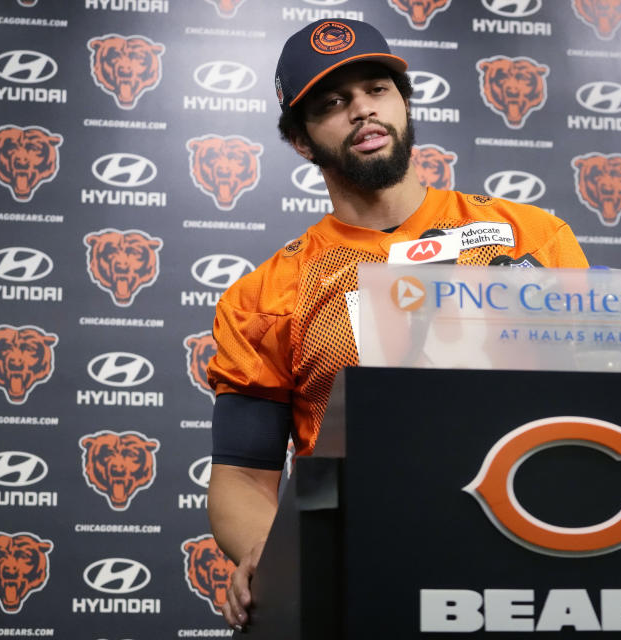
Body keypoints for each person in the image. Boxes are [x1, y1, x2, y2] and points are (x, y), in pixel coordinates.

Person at [205, 18, 589, 631]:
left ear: (404, 106)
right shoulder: (266, 294)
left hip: (536, 544)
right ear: (302, 142)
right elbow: (242, 474)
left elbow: (601, 400)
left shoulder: (531, 237)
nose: (361, 110)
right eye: (331, 103)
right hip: (363, 565)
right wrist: (270, 556)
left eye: (376, 90)